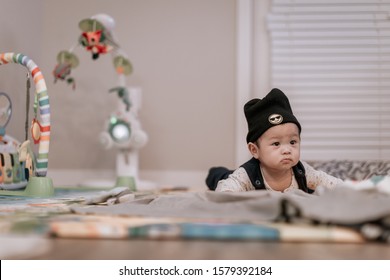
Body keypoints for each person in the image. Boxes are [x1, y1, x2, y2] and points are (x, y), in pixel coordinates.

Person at [206, 88, 343, 193]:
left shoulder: (301, 171)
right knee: (222, 176)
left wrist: (349, 187)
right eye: (276, 144)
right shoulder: (246, 174)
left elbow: (326, 181)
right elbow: (224, 191)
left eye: (293, 142)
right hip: (234, 176)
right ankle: (215, 172)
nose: (287, 150)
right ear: (255, 150)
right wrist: (229, 193)